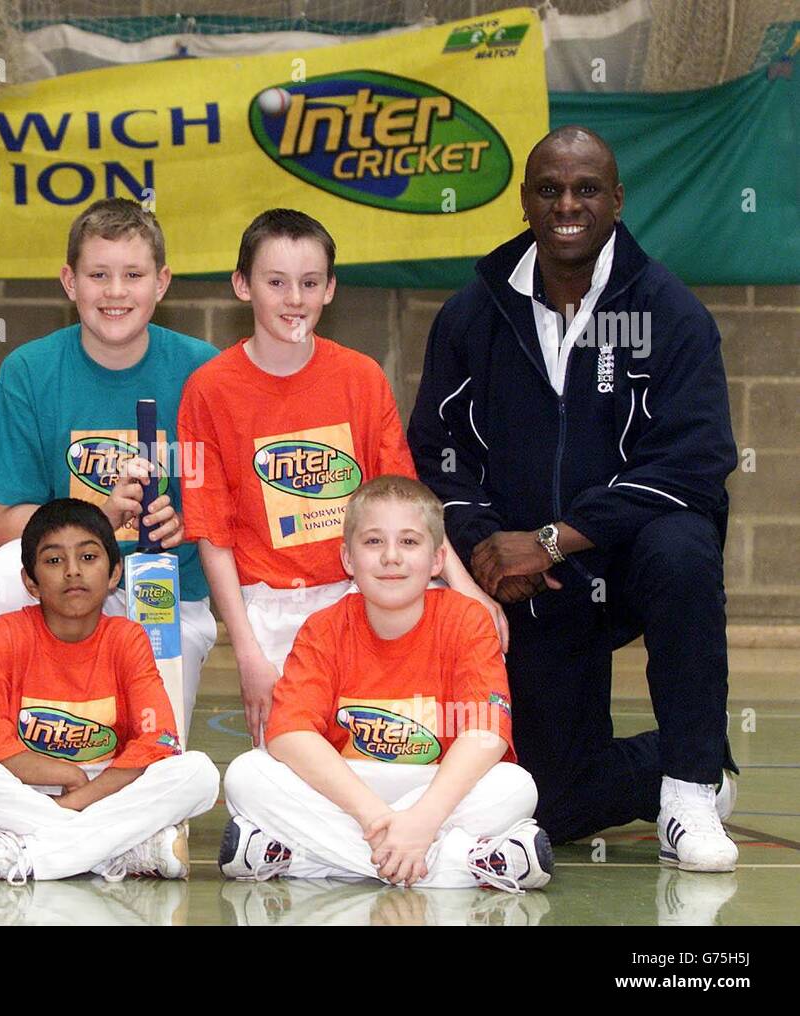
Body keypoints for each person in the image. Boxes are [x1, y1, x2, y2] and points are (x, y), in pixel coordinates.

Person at [407, 126, 739, 871]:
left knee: (683, 546)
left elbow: (696, 462)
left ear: (616, 201)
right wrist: (490, 547)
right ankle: (683, 758)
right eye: (550, 189)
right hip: (532, 581)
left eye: (586, 189)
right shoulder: (474, 315)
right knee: (545, 801)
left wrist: (560, 535)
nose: (567, 204)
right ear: (525, 201)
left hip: (625, 561)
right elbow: (436, 454)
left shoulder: (665, 314)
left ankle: (688, 794)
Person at [178, 208, 506, 746]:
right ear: (242, 285)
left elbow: (407, 505)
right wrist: (246, 651)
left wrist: (467, 588)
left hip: (362, 594)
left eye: (309, 283)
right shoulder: (209, 390)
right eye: (276, 282)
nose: (294, 300)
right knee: (288, 768)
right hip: (270, 608)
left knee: (386, 750)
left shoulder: (361, 377)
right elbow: (214, 534)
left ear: (330, 288)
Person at [219, 476, 552, 894]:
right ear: (348, 558)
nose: (391, 557)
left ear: (437, 560)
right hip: (353, 788)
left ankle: (308, 860)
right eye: (373, 542)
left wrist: (421, 820)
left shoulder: (467, 621)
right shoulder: (325, 628)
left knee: (515, 787)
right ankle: (460, 865)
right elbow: (288, 734)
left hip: (433, 786)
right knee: (247, 775)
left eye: (409, 542)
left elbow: (486, 735)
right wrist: (378, 819)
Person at [0, 198, 218, 733]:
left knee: (154, 753)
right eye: (98, 274)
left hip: (166, 594)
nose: (116, 292)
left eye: (133, 274)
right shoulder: (29, 371)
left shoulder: (204, 372)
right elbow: (5, 521)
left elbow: (237, 505)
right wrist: (96, 517)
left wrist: (190, 521)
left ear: (162, 281)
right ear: (69, 281)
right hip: (64, 590)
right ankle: (10, 738)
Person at [0, 499, 220, 883]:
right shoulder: (8, 633)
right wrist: (63, 772)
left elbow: (159, 741)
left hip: (104, 789)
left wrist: (76, 801)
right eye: (54, 561)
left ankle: (23, 854)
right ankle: (117, 850)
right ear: (30, 581)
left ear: (113, 574)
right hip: (28, 791)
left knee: (198, 773)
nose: (73, 571)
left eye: (88, 557)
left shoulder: (126, 638)